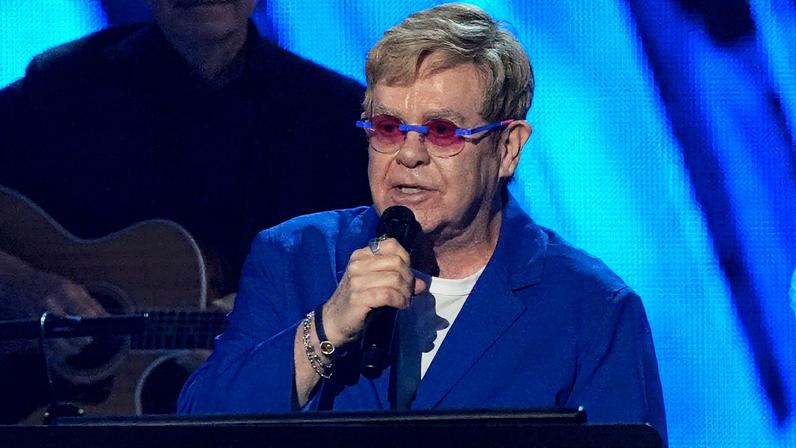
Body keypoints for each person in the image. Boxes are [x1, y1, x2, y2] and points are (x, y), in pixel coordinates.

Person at [177, 2, 667, 444]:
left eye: (442, 131)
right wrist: (325, 329)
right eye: (388, 128)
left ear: (508, 148)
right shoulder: (292, 257)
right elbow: (198, 427)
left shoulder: (592, 309)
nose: (409, 155)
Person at [0, 0, 370, 423]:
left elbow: (396, 268)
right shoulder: (60, 88)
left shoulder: (338, 116)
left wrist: (282, 316)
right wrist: (18, 284)